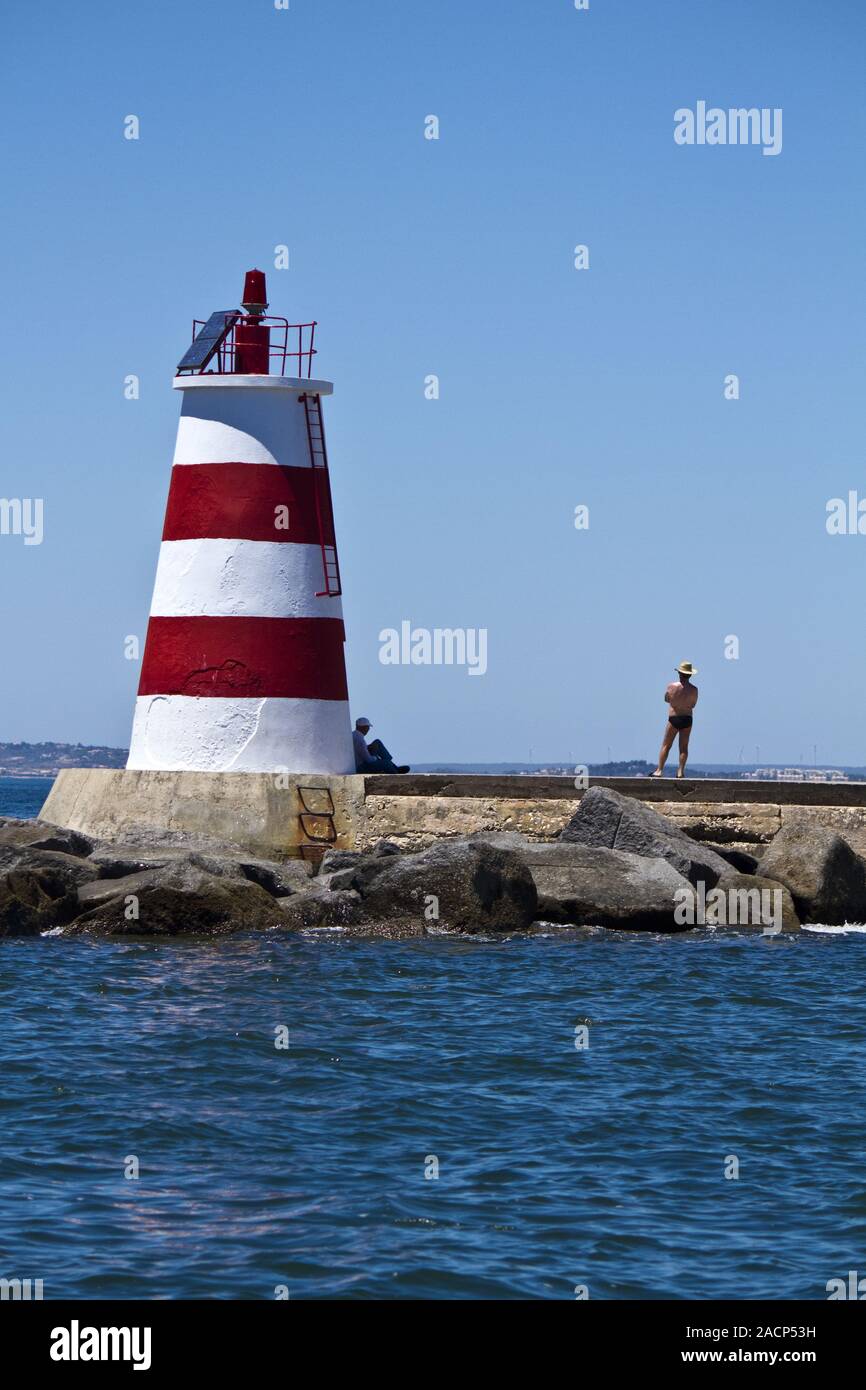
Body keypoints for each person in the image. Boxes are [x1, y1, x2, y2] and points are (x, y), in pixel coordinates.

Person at [651, 662, 698, 779]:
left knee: (666, 745)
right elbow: (693, 705)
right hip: (687, 718)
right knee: (684, 747)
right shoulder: (694, 689)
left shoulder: (671, 686)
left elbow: (667, 699)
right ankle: (680, 771)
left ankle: (659, 770)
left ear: (680, 673)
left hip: (674, 718)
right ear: (690, 675)